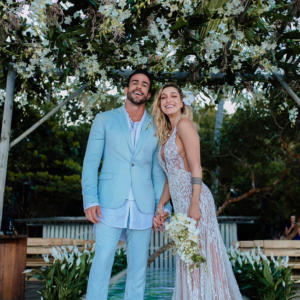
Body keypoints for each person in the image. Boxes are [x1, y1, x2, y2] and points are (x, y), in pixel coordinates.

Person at [82, 69, 171, 300]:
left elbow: (157, 172)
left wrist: (162, 207)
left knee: (138, 268)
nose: (138, 87)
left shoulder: (156, 126)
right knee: (102, 262)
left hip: (143, 206)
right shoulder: (104, 119)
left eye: (144, 84)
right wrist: (90, 200)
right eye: (134, 83)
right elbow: (91, 163)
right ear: (126, 89)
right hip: (108, 202)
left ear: (149, 94)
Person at [152, 83, 243, 300]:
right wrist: (160, 207)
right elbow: (171, 178)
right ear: (159, 104)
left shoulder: (184, 125)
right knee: (189, 258)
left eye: (174, 96)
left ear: (182, 102)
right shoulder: (167, 134)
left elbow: (196, 166)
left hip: (196, 200)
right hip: (180, 203)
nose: (168, 100)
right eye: (163, 97)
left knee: (203, 257)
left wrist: (194, 204)